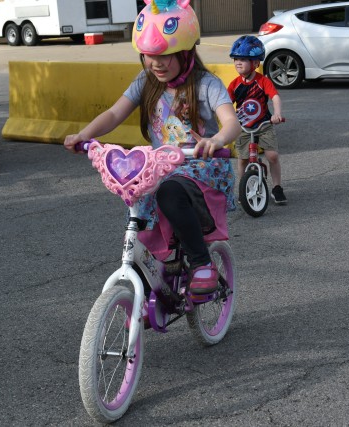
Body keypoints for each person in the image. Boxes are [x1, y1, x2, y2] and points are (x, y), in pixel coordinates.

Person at [64, 0, 241, 294]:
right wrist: (83, 135)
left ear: (187, 52)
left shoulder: (207, 84)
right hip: (161, 166)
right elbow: (113, 114)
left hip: (201, 167)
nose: (156, 63)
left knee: (169, 192)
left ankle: (201, 262)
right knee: (138, 204)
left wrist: (216, 140)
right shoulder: (146, 82)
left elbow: (231, 122)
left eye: (166, 55)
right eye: (149, 55)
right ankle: (147, 283)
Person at [227, 35, 287, 205]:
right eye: (236, 59)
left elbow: (274, 97)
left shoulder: (262, 81)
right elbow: (225, 104)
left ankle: (276, 187)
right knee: (243, 159)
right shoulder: (235, 84)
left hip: (264, 124)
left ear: (255, 63)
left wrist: (277, 113)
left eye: (243, 59)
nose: (238, 63)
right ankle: (243, 187)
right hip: (243, 126)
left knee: (272, 155)